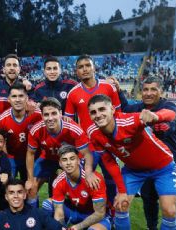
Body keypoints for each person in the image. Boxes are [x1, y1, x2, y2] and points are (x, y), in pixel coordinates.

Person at [87, 94, 176, 230]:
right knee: (120, 205)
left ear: (112, 110)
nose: (98, 115)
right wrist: (122, 191)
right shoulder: (93, 133)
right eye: (93, 112)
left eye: (102, 109)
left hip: (163, 167)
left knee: (169, 211)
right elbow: (109, 162)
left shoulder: (129, 121)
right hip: (133, 171)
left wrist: (156, 116)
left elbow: (171, 113)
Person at [112, 76, 176, 230]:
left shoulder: (169, 106)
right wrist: (118, 91)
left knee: (174, 205)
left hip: (168, 164)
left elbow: (168, 124)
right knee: (148, 199)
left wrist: (155, 120)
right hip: (143, 165)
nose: (148, 93)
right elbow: (123, 108)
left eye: (153, 89)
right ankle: (151, 227)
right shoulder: (137, 108)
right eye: (145, 89)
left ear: (161, 91)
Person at [64, 54, 122, 214]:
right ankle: (87, 211)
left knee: (111, 179)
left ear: (94, 67)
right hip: (87, 147)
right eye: (81, 67)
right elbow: (69, 122)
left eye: (87, 65)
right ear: (76, 71)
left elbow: (118, 114)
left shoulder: (108, 87)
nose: (85, 69)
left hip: (109, 144)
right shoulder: (73, 94)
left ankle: (112, 213)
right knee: (83, 179)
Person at [26, 97, 98, 207]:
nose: (50, 118)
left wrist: (88, 172)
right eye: (46, 114)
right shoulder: (36, 130)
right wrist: (30, 179)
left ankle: (78, 212)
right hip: (48, 159)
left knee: (70, 189)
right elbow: (30, 153)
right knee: (32, 188)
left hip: (70, 160)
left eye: (54, 113)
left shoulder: (73, 128)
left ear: (60, 113)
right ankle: (33, 218)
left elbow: (87, 154)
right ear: (42, 116)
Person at [42, 144, 110, 230]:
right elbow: (58, 212)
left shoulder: (94, 180)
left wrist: (78, 227)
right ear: (60, 163)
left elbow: (100, 213)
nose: (68, 163)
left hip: (95, 216)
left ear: (78, 160)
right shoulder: (58, 182)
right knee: (47, 204)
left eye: (72, 159)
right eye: (64, 160)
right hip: (74, 212)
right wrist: (61, 227)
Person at [0, 82, 42, 181]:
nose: (17, 100)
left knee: (30, 188)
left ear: (27, 98)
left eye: (21, 96)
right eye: (14, 96)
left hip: (32, 156)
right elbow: (1, 143)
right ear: (9, 99)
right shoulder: (2, 120)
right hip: (11, 157)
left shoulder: (38, 115)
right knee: (8, 186)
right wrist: (6, 161)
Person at [0, 179, 66, 230]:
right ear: (6, 197)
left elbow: (58, 228)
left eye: (19, 192)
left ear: (24, 195)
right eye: (11, 193)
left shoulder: (38, 214)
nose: (16, 196)